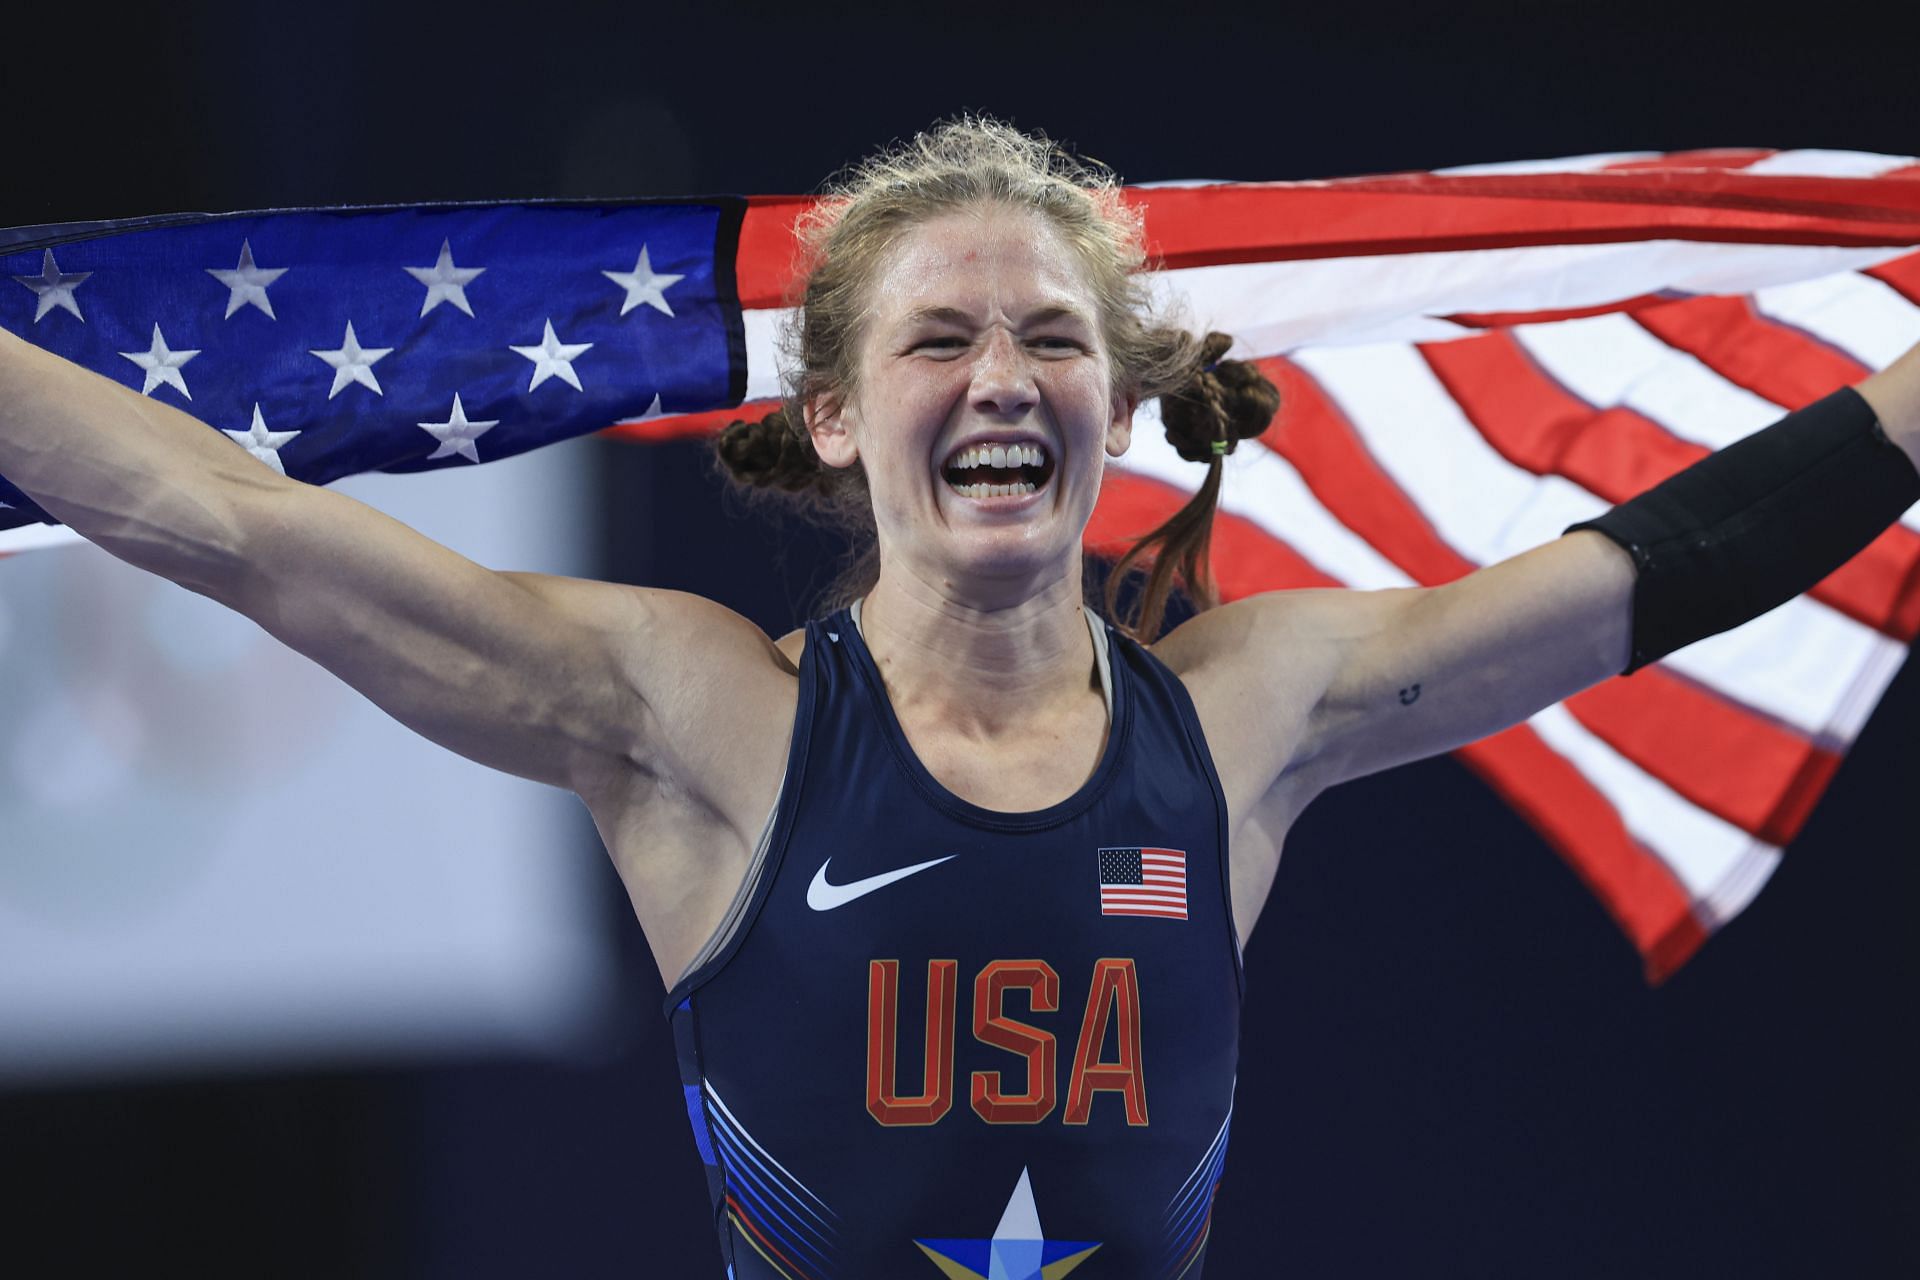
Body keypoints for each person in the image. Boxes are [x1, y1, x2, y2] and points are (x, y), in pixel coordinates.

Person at [2, 119, 1917, 1279]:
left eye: (1052, 340)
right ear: (832, 416)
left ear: (1115, 407)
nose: (1003, 377)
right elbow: (220, 512)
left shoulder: (1259, 703)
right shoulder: (697, 713)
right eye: (941, 337)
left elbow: (1653, 573)